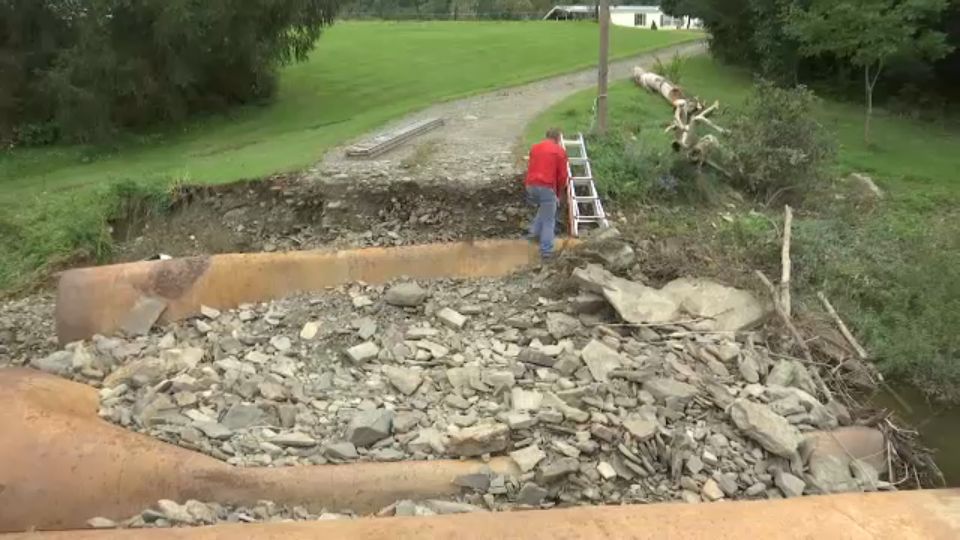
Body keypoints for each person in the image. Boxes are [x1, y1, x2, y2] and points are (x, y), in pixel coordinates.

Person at [524, 127, 569, 259]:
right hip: (546, 186)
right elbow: (562, 176)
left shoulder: (535, 147)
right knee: (549, 219)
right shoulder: (559, 151)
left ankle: (533, 235)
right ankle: (546, 251)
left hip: (531, 186)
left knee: (545, 208)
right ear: (558, 138)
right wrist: (560, 193)